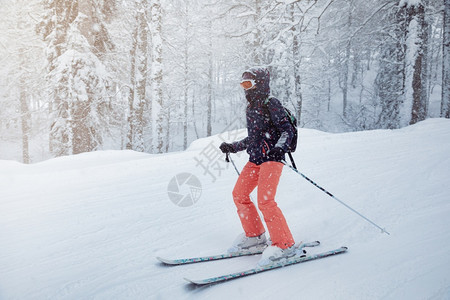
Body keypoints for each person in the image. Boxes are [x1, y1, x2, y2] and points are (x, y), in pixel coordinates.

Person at [219, 66, 297, 265]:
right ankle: (255, 235)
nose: (246, 89)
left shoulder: (271, 103)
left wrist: (279, 148)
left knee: (265, 201)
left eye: (249, 84)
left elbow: (287, 129)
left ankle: (285, 245)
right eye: (243, 84)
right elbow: (254, 139)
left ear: (260, 84)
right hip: (255, 159)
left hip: (272, 158)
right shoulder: (251, 108)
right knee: (239, 194)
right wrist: (234, 146)